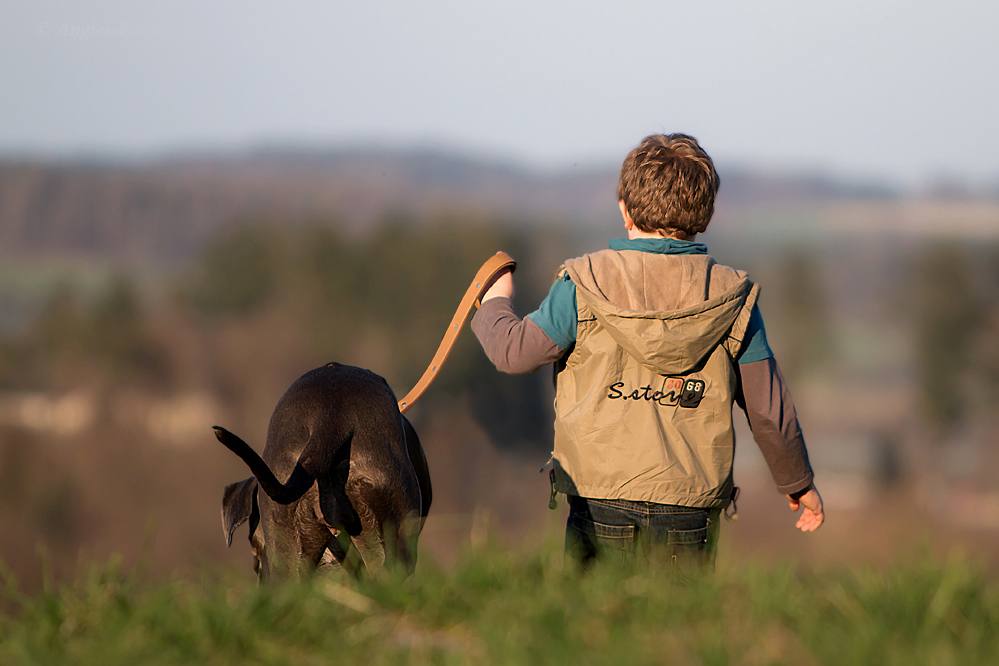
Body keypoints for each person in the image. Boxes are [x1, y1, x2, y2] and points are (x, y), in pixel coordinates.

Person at [471, 133, 823, 570]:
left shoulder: (584, 283)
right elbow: (769, 410)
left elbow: (513, 353)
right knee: (676, 635)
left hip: (598, 503)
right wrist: (797, 482)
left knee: (592, 630)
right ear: (705, 214)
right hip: (689, 509)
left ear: (624, 209)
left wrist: (494, 302)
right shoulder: (733, 297)